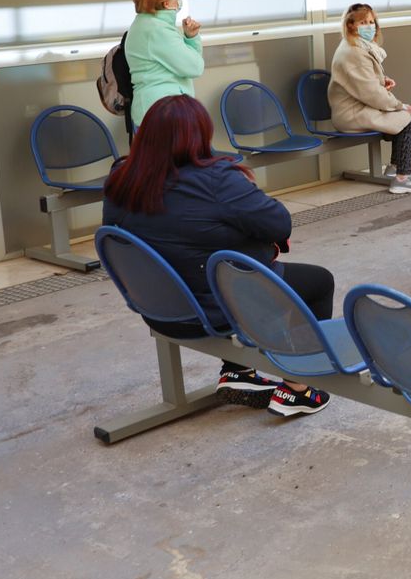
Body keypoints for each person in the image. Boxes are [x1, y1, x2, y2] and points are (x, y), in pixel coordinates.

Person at [102, 95, 334, 417]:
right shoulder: (216, 180)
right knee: (317, 282)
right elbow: (279, 222)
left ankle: (238, 371)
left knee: (209, 260)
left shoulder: (121, 179)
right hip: (209, 312)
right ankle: (298, 386)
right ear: (200, 136)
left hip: (158, 307)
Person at [329, 3, 411, 194]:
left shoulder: (356, 46)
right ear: (351, 25)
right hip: (352, 114)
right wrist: (401, 106)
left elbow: (364, 83)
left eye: (371, 22)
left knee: (404, 118)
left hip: (358, 108)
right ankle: (402, 179)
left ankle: (395, 169)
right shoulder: (354, 52)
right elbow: (372, 93)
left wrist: (382, 80)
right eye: (363, 22)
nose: (370, 26)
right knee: (410, 120)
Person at [125, 0, 205, 128]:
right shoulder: (157, 30)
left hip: (154, 110)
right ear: (166, 3)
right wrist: (193, 40)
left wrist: (190, 37)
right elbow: (195, 67)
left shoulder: (143, 25)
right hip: (164, 114)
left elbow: (188, 64)